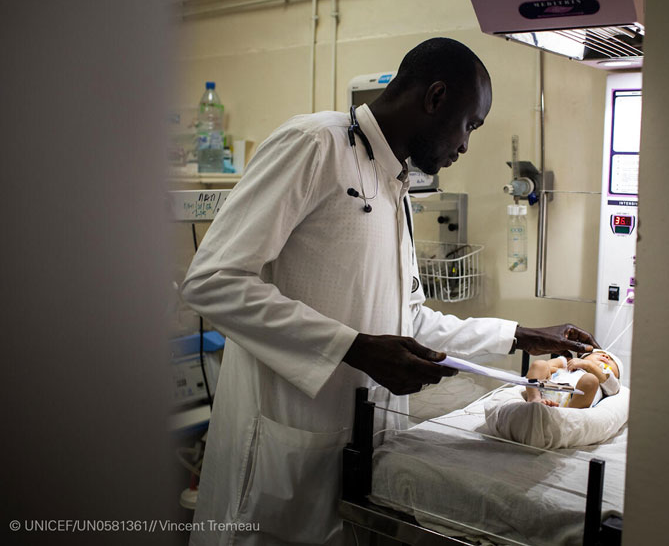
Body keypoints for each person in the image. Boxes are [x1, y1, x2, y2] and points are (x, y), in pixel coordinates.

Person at [181, 37, 599, 546]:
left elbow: (409, 319)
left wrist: (519, 335)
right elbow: (213, 279)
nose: (465, 145)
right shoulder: (315, 145)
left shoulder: (396, 184)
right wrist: (355, 348)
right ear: (436, 97)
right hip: (281, 446)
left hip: (359, 455)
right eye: (470, 125)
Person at [524, 350, 623, 409]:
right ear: (583, 358)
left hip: (573, 403)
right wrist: (562, 361)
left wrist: (589, 365)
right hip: (547, 392)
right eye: (599, 353)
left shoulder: (604, 383)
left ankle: (568, 413)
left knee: (590, 379)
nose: (606, 356)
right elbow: (547, 368)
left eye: (612, 360)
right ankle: (534, 397)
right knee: (539, 364)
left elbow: (613, 387)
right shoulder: (569, 370)